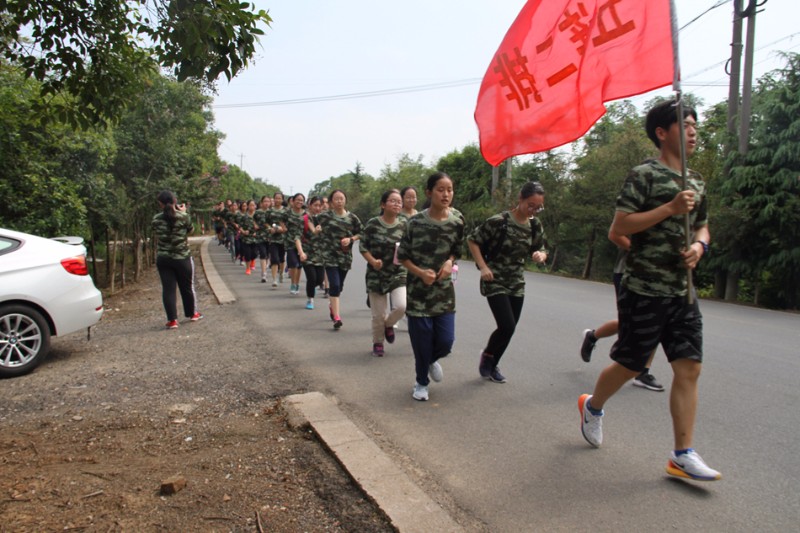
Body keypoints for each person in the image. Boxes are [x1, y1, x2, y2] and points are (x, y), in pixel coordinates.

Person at [578, 99, 720, 481]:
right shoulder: (644, 175)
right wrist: (669, 209)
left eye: (694, 124)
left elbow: (703, 225)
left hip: (683, 291)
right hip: (644, 288)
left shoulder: (697, 180)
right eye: (684, 124)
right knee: (632, 365)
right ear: (662, 132)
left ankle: (682, 454)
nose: (692, 131)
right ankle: (593, 405)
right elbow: (621, 226)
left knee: (689, 368)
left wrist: (700, 246)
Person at [468, 181, 547, 383]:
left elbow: (541, 248)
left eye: (538, 207)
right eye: (531, 205)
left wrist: (540, 255)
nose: (534, 210)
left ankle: (493, 364)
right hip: (494, 279)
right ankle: (487, 355)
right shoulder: (499, 221)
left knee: (510, 329)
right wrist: (483, 267)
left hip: (516, 282)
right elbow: (473, 240)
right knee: (507, 325)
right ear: (520, 199)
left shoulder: (534, 225)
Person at [397, 172, 464, 401]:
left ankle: (431, 360)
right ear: (429, 192)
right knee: (422, 341)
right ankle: (421, 382)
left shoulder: (457, 220)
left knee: (446, 342)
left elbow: (457, 249)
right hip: (418, 294)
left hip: (444, 293)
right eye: (440, 189)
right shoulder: (414, 223)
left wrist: (449, 261)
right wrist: (420, 273)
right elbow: (402, 256)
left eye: (450, 189)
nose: (446, 194)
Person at [580, 228, 664, 391]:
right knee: (631, 323)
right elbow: (616, 233)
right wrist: (645, 256)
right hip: (628, 273)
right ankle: (593, 336)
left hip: (660, 278)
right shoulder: (640, 206)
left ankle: (643, 372)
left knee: (656, 322)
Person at [360, 189, 408, 357]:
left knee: (401, 306)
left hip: (398, 272)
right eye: (393, 201)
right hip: (376, 273)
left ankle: (389, 325)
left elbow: (411, 247)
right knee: (378, 315)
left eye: (399, 202)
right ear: (383, 204)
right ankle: (378, 342)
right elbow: (363, 246)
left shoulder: (404, 224)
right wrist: (373, 261)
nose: (397, 204)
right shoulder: (373, 224)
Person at [152, 190, 203, 329]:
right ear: (175, 201)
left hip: (164, 258)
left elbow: (157, 232)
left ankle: (172, 320)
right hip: (182, 257)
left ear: (160, 204)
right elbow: (191, 230)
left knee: (168, 289)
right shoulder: (183, 216)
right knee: (187, 287)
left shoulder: (156, 219)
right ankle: (192, 314)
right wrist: (183, 211)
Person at [317, 189, 362, 329]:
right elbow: (311, 223)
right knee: (334, 285)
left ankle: (332, 305)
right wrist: (316, 230)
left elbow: (362, 232)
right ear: (331, 202)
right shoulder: (324, 217)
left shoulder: (352, 218)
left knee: (339, 286)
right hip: (329, 256)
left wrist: (351, 239)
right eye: (336, 199)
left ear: (345, 200)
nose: (339, 201)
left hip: (345, 257)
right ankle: (337, 317)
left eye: (341, 198)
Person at [295, 196, 325, 309]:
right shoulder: (303, 219)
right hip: (307, 253)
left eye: (320, 205)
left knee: (319, 279)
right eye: (315, 205)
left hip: (320, 254)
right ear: (310, 205)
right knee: (311, 278)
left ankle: (311, 288)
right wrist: (301, 252)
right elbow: (297, 237)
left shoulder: (323, 219)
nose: (317, 208)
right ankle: (310, 299)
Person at [284, 193, 307, 295]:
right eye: (297, 200)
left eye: (301, 200)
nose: (299, 202)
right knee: (293, 264)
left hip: (303, 243)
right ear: (292, 201)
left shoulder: (306, 214)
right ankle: (293, 283)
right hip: (290, 242)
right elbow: (280, 221)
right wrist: (283, 228)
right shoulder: (287, 213)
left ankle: (297, 283)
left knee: (299, 265)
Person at [267, 192, 288, 289]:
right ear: (273, 199)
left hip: (283, 239)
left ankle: (281, 273)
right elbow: (266, 223)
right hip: (273, 239)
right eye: (276, 198)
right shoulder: (269, 211)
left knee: (281, 258)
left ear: (282, 200)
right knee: (274, 259)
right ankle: (274, 279)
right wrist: (270, 228)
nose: (278, 200)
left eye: (280, 198)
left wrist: (282, 229)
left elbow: (288, 224)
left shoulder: (286, 211)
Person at [253, 195, 273, 283]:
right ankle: (264, 274)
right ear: (261, 203)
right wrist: (255, 225)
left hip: (270, 236)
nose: (266, 203)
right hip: (260, 236)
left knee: (268, 254)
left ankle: (266, 267)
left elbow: (276, 223)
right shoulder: (257, 212)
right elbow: (253, 220)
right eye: (265, 201)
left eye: (268, 201)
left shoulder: (272, 212)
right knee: (263, 254)